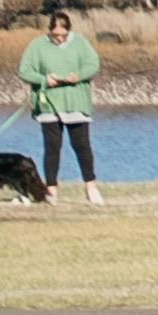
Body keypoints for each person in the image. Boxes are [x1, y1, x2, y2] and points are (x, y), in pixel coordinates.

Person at [19, 15, 101, 194]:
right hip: (49, 105)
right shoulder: (38, 46)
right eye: (55, 35)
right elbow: (24, 71)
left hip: (75, 102)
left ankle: (91, 186)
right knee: (52, 148)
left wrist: (78, 76)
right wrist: (44, 79)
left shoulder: (80, 43)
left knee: (82, 145)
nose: (59, 38)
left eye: (63, 35)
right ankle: (51, 189)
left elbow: (93, 65)